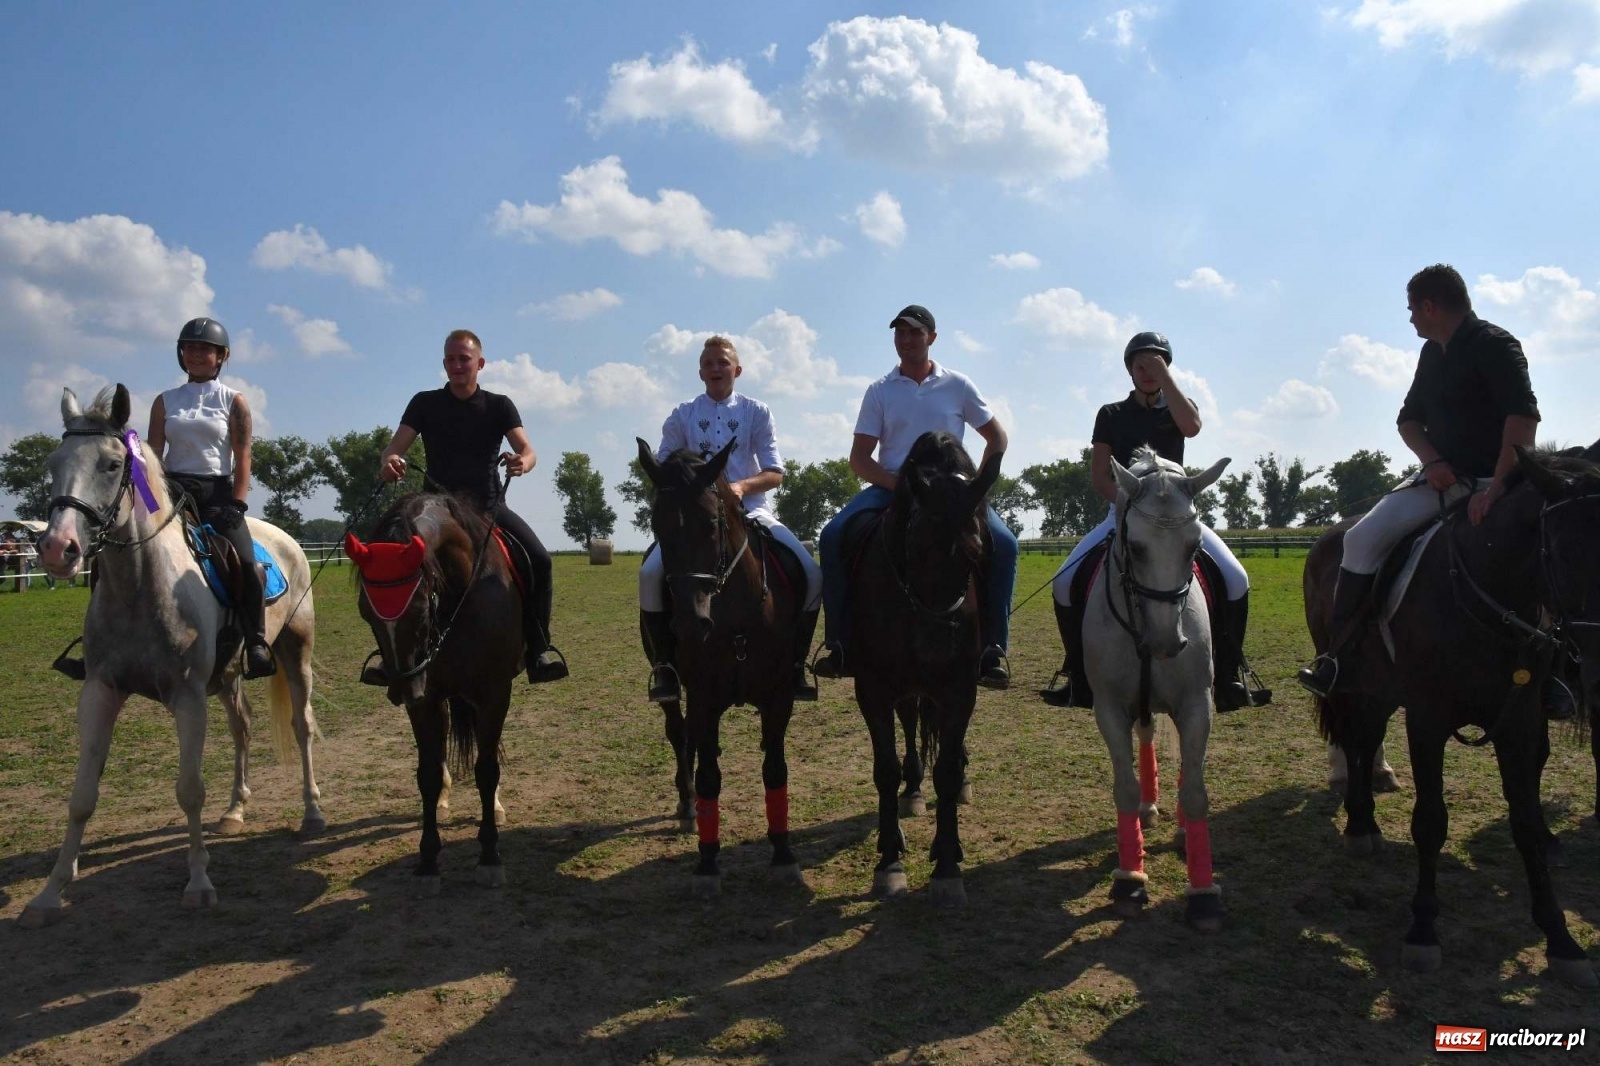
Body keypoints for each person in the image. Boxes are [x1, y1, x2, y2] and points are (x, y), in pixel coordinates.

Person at [1297, 264, 1541, 699]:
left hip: (1502, 481)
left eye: (1411, 309)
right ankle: (1337, 658)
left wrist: (1497, 489)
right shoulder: (1432, 353)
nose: (1410, 318)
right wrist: (1433, 462)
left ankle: (1558, 669)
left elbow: (1522, 420)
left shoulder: (1497, 345)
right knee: (1359, 540)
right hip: (1443, 480)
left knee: (1554, 547)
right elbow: (1408, 421)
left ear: (1430, 306)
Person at [1040, 331, 1260, 711]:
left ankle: (1227, 676)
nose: (1148, 371)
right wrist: (1128, 509)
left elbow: (1192, 427)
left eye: (1156, 363)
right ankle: (1077, 677)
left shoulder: (1179, 408)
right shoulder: (1111, 414)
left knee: (1236, 578)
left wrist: (1165, 376)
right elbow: (1100, 476)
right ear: (1129, 369)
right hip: (1124, 515)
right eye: (1140, 364)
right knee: (1063, 582)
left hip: (1176, 519)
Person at [56, 318, 276, 679]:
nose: (196, 354)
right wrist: (145, 498)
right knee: (112, 556)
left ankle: (255, 642)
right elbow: (153, 455)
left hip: (218, 494)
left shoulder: (233, 401)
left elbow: (243, 455)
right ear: (181, 353)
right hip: (173, 491)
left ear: (222, 356)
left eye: (205, 349)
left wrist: (237, 503)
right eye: (189, 348)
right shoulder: (165, 401)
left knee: (249, 566)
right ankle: (96, 642)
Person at [813, 304, 1017, 687]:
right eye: (900, 333)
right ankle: (840, 643)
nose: (906, 339)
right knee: (832, 534)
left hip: (952, 495)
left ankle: (992, 649)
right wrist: (900, 486)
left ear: (932, 338)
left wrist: (974, 489)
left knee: (1005, 544)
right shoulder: (880, 390)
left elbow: (998, 438)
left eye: (914, 332)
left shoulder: (958, 385)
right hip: (893, 489)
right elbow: (860, 459)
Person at [378, 329, 567, 684]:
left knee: (540, 560)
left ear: (480, 363)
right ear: (444, 364)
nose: (457, 365)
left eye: (464, 359)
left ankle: (538, 649)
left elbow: (528, 450)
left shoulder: (499, 406)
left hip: (487, 508)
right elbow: (393, 449)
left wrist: (522, 462)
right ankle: (389, 656)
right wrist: (390, 462)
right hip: (436, 513)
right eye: (451, 359)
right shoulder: (424, 403)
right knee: (389, 564)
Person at [641, 336, 822, 702]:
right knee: (648, 574)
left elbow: (774, 472)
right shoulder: (682, 415)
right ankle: (665, 666)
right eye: (708, 363)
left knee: (811, 572)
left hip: (751, 509)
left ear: (737, 370)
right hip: (699, 517)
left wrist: (740, 487)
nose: (715, 369)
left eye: (722, 363)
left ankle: (796, 665)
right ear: (700, 373)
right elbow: (664, 466)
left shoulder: (757, 411)